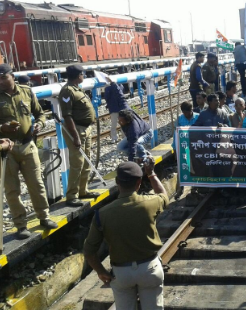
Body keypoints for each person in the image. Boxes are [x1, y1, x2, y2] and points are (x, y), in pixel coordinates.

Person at [83, 160, 169, 310]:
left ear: (117, 182)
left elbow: (89, 251)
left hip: (122, 273)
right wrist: (151, 173)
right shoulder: (150, 203)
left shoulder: (102, 214)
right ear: (139, 182)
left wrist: (101, 271)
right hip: (149, 269)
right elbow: (164, 195)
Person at [0, 64, 58, 239]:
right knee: (12, 190)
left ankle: (44, 217)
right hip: (6, 150)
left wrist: (40, 124)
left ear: (12, 76)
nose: (1, 81)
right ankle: (20, 225)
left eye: (3, 77)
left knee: (36, 183)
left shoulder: (26, 91)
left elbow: (40, 114)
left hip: (27, 145)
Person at [59, 65, 100, 207]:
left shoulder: (76, 88)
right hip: (76, 130)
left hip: (85, 129)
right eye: (82, 74)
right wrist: (75, 136)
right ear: (78, 75)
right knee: (77, 163)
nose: (83, 76)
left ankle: (83, 190)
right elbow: (67, 115)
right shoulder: (67, 91)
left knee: (86, 161)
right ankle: (71, 196)